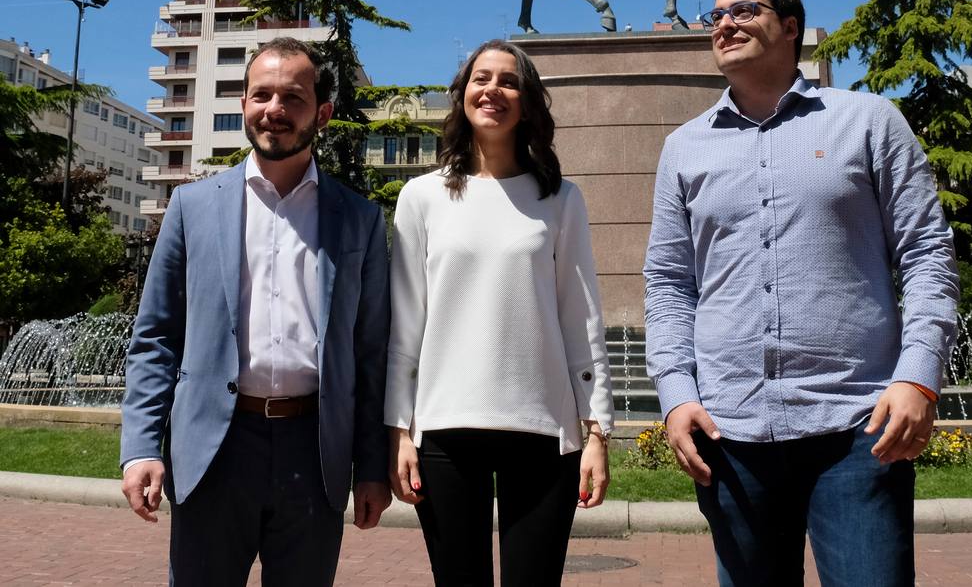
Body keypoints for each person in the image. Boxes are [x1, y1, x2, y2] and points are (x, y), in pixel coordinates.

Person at [644, 0, 960, 586]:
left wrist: (918, 379)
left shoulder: (868, 121)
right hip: (729, 431)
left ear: (791, 28)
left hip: (858, 425)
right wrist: (676, 393)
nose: (725, 25)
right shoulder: (683, 147)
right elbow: (668, 283)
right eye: (716, 16)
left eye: (744, 11)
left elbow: (927, 254)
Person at [120, 37, 392, 586]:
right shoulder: (192, 207)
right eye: (261, 94)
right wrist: (142, 446)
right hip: (214, 452)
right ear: (243, 104)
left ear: (322, 112)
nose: (274, 110)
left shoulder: (359, 219)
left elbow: (370, 355)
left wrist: (371, 467)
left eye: (292, 97)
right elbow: (156, 338)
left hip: (314, 453)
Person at [387, 38, 614, 586]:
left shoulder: (561, 199)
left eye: (509, 81)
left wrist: (597, 431)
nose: (493, 90)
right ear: (462, 94)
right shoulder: (422, 197)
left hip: (541, 426)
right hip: (443, 428)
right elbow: (404, 322)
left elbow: (581, 317)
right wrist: (398, 430)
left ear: (529, 101)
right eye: (481, 78)